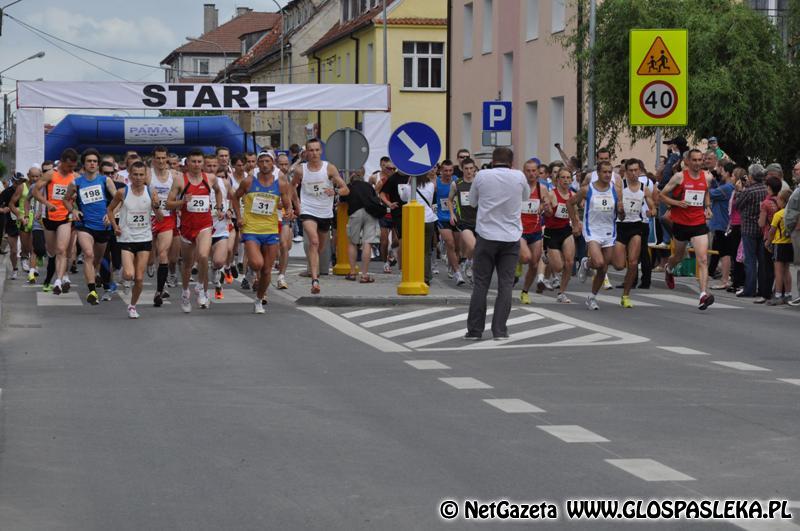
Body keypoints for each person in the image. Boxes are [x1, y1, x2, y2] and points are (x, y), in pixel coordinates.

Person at [465, 147, 530, 340]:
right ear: (512, 162)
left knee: (481, 284)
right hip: (510, 238)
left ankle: (475, 331)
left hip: (486, 236)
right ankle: (500, 331)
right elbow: (525, 197)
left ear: (493, 160)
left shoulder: (482, 175)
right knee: (506, 285)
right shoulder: (519, 176)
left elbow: (473, 202)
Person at [232, 150, 295, 314]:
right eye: (262, 162)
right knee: (257, 264)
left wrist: (289, 211)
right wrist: (239, 217)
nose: (265, 164)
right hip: (251, 229)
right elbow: (234, 197)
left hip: (271, 230)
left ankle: (259, 299)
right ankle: (252, 273)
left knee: (267, 270)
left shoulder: (280, 183)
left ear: (272, 164)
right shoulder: (248, 182)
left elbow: (287, 203)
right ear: (257, 164)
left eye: (268, 161)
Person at [166, 149, 225, 312]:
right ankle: (185, 292)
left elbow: (219, 191)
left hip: (205, 225)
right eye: (194, 161)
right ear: (188, 163)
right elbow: (168, 204)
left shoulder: (210, 178)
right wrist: (182, 202)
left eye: (200, 162)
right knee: (187, 264)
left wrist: (219, 207)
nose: (197, 165)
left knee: (204, 256)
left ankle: (200, 287)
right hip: (186, 227)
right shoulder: (180, 180)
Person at [289, 138, 349, 294]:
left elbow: (345, 189)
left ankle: (312, 267)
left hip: (325, 212)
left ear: (320, 151)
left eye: (317, 150)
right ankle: (315, 280)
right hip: (308, 210)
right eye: (311, 150)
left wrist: (334, 191)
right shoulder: (301, 170)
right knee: (313, 242)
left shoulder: (329, 168)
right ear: (306, 152)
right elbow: (292, 187)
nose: (314, 153)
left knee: (320, 247)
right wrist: (295, 205)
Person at [660, 149, 716, 310]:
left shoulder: (707, 177)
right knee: (678, 257)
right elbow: (661, 195)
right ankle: (669, 269)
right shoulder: (679, 177)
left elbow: (705, 192)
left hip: (698, 223)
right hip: (681, 223)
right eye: (695, 160)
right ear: (688, 162)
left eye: (700, 160)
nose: (698, 163)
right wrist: (677, 204)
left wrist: (707, 207)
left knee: (703, 259)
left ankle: (703, 294)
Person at [63, 148, 118, 305]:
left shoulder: (105, 181)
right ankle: (92, 291)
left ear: (98, 164)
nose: (92, 164)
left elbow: (118, 200)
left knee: (97, 260)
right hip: (84, 225)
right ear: (84, 164)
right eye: (89, 161)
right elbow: (66, 200)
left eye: (95, 161)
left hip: (103, 226)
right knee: (88, 254)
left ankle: (94, 273)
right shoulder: (76, 182)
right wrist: (73, 210)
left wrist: (110, 215)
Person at [106, 161, 160, 318]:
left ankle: (132, 306)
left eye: (141, 174)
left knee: (139, 277)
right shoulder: (122, 192)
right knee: (129, 274)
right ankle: (124, 272)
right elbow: (110, 210)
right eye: (135, 174)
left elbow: (161, 218)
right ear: (129, 175)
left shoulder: (151, 192)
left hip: (144, 238)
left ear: (145, 176)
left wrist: (156, 207)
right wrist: (115, 226)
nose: (138, 177)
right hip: (127, 238)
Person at [571, 161, 621, 310]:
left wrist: (622, 212)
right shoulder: (587, 190)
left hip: (609, 230)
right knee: (598, 262)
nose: (607, 175)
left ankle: (592, 297)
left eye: (609, 172)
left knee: (603, 268)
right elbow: (570, 203)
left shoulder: (616, 190)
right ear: (598, 173)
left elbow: (619, 210)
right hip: (592, 230)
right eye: (604, 172)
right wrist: (575, 222)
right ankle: (586, 263)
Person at [30, 148, 78, 294]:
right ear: (62, 162)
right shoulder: (51, 174)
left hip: (65, 217)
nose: (71, 169)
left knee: (61, 250)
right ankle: (56, 273)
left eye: (73, 166)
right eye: (69, 166)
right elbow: (35, 191)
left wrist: (75, 206)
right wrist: (47, 203)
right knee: (51, 251)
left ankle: (59, 280)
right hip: (49, 217)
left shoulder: (75, 176)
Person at [611, 159, 654, 308]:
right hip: (621, 226)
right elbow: (614, 207)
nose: (634, 173)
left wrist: (651, 212)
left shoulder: (644, 188)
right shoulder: (620, 187)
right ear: (626, 172)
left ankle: (626, 295)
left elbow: (654, 207)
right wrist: (619, 208)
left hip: (637, 226)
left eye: (636, 170)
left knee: (634, 262)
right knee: (619, 265)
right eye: (631, 170)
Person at [148, 146, 178, 307]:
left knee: (163, 253)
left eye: (163, 158)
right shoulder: (147, 174)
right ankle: (150, 263)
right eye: (158, 158)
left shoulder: (174, 175)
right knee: (150, 257)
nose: (161, 161)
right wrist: (155, 207)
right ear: (153, 159)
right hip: (148, 218)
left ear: (167, 159)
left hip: (167, 218)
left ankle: (160, 290)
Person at [519, 159, 551, 304]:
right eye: (528, 171)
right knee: (525, 258)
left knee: (533, 263)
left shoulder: (542, 189)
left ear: (538, 172)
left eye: (534, 171)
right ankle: (517, 264)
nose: (531, 174)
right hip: (520, 230)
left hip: (536, 230)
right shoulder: (519, 188)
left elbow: (549, 212)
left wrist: (545, 206)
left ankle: (525, 291)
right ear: (523, 172)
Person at [734, 164, 769, 300]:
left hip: (748, 227)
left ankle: (749, 288)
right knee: (762, 260)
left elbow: (738, 205)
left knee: (750, 260)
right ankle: (762, 289)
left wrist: (738, 191)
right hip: (762, 227)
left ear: (751, 176)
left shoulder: (749, 191)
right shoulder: (766, 189)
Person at [343, 172, 382, 283]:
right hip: (370, 213)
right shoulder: (368, 186)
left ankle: (352, 272)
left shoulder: (349, 186)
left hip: (355, 213)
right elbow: (375, 197)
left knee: (352, 242)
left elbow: (343, 200)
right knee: (367, 243)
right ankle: (364, 275)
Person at [449, 157, 479, 279]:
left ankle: (468, 262)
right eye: (466, 168)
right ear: (462, 169)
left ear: (474, 169)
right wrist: (452, 214)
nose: (469, 171)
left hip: (479, 221)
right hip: (464, 221)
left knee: (478, 249)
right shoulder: (456, 184)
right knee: (473, 246)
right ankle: (469, 262)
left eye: (471, 168)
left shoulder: (479, 183)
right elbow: (450, 200)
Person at [435, 160, 464, 285]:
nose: (448, 173)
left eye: (450, 170)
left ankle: (452, 265)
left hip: (456, 218)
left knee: (457, 248)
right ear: (441, 171)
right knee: (450, 244)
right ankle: (458, 274)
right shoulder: (436, 182)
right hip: (442, 218)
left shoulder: (456, 180)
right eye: (445, 170)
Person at [708, 162, 736, 290]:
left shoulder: (726, 188)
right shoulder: (728, 187)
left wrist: (707, 180)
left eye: (722, 170)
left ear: (728, 173)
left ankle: (725, 279)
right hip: (724, 224)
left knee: (724, 253)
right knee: (725, 252)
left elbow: (708, 193)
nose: (720, 172)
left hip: (722, 225)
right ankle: (725, 278)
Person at [766, 190, 793, 305]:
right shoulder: (792, 213)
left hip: (779, 244)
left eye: (778, 199)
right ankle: (788, 294)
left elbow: (772, 231)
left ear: (783, 201)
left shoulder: (779, 214)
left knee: (778, 271)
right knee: (787, 270)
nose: (776, 201)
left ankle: (777, 295)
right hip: (790, 244)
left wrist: (768, 242)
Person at [0, 172, 29, 279]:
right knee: (13, 250)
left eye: (22, 181)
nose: (20, 184)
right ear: (13, 181)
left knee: (27, 246)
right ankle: (15, 269)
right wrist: (3, 209)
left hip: (24, 221)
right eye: (18, 182)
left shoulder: (27, 190)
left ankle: (24, 260)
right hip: (11, 223)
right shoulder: (7, 192)